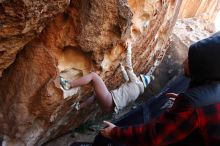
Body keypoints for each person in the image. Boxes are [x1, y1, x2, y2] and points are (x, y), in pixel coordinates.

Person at [100, 32, 220, 146]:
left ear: (201, 68)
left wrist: (115, 132)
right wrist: (183, 102)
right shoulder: (210, 88)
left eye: (189, 60)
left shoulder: (192, 103)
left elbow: (155, 136)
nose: (184, 62)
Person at [60, 43, 152, 113]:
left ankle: (68, 85)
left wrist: (129, 50)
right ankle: (79, 107)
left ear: (141, 80)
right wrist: (122, 68)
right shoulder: (137, 92)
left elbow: (129, 68)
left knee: (94, 76)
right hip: (109, 108)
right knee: (96, 96)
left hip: (110, 100)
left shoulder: (136, 82)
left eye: (139, 77)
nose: (138, 77)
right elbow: (127, 79)